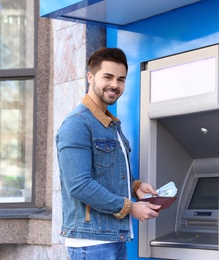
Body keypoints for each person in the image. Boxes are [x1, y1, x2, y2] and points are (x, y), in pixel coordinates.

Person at [56, 47, 161, 260]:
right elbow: (79, 185)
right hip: (92, 242)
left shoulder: (108, 123)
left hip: (113, 238)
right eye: (108, 77)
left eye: (121, 79)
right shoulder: (77, 124)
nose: (115, 85)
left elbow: (106, 173)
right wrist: (131, 207)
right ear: (90, 77)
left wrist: (136, 187)